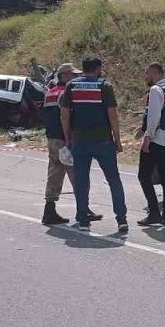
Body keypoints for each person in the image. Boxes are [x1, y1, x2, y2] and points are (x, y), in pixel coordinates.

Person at [60, 56, 127, 234]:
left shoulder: (71, 86)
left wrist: (68, 139)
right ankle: (121, 220)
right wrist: (117, 140)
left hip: (79, 142)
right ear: (97, 69)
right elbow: (112, 114)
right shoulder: (104, 86)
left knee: (81, 181)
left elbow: (64, 116)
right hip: (103, 141)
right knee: (114, 180)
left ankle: (83, 220)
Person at [39, 63, 102, 226]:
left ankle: (49, 210)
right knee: (79, 175)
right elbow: (69, 117)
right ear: (64, 76)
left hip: (52, 140)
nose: (76, 78)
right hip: (66, 140)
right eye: (73, 75)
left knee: (54, 174)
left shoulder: (50, 93)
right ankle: (84, 211)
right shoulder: (66, 94)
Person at [136, 63, 165, 227]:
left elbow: (154, 116)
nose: (145, 77)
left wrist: (147, 138)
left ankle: (154, 212)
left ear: (154, 73)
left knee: (144, 175)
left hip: (156, 140)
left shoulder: (156, 90)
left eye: (146, 74)